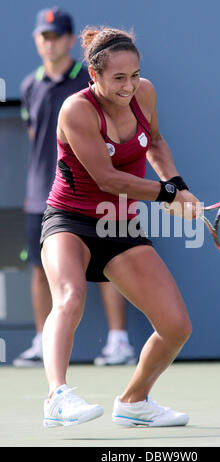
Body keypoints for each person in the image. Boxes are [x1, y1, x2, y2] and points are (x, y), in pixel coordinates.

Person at [41, 24, 200, 429]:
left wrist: (178, 186)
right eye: (118, 78)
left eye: (134, 75)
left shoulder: (144, 92)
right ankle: (57, 396)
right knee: (70, 297)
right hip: (70, 219)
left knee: (176, 326)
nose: (130, 86)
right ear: (93, 75)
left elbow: (157, 144)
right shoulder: (76, 109)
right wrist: (167, 196)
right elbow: (107, 179)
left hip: (120, 225)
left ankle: (134, 400)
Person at [13, 7, 135, 368]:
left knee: (107, 264)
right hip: (42, 194)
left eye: (56, 37)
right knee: (41, 269)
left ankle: (118, 342)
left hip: (94, 192)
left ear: (69, 41)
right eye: (43, 37)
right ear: (38, 41)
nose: (50, 44)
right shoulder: (28, 85)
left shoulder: (91, 82)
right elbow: (36, 136)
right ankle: (41, 341)